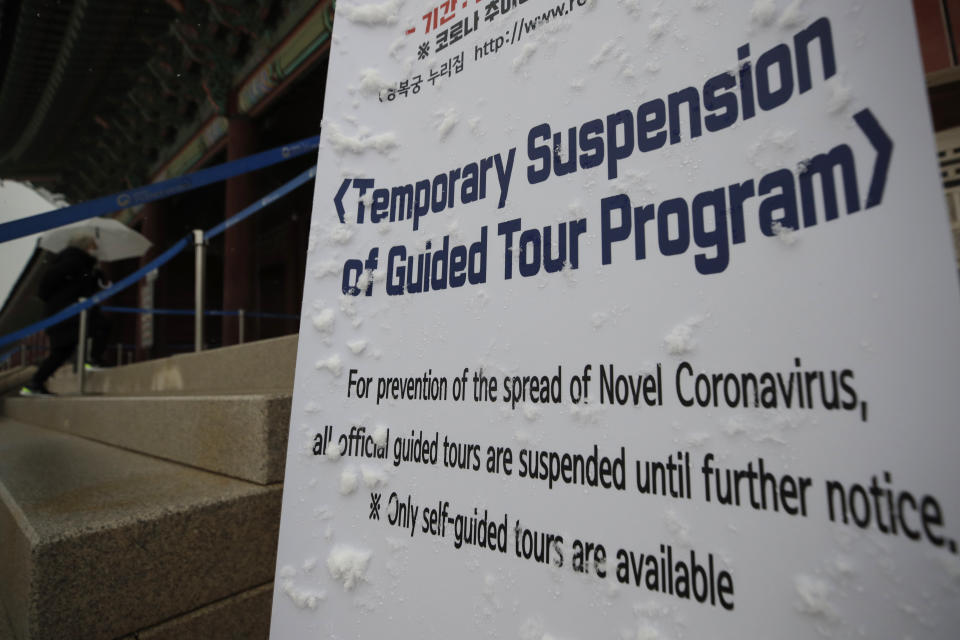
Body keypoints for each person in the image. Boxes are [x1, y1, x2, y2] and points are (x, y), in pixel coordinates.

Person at [20, 234, 111, 395]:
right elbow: (48, 285)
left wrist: (97, 278)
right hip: (67, 313)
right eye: (93, 246)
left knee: (62, 351)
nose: (95, 250)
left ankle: (35, 384)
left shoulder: (81, 265)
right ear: (85, 246)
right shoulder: (73, 261)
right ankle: (92, 359)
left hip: (67, 313)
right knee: (101, 326)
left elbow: (83, 288)